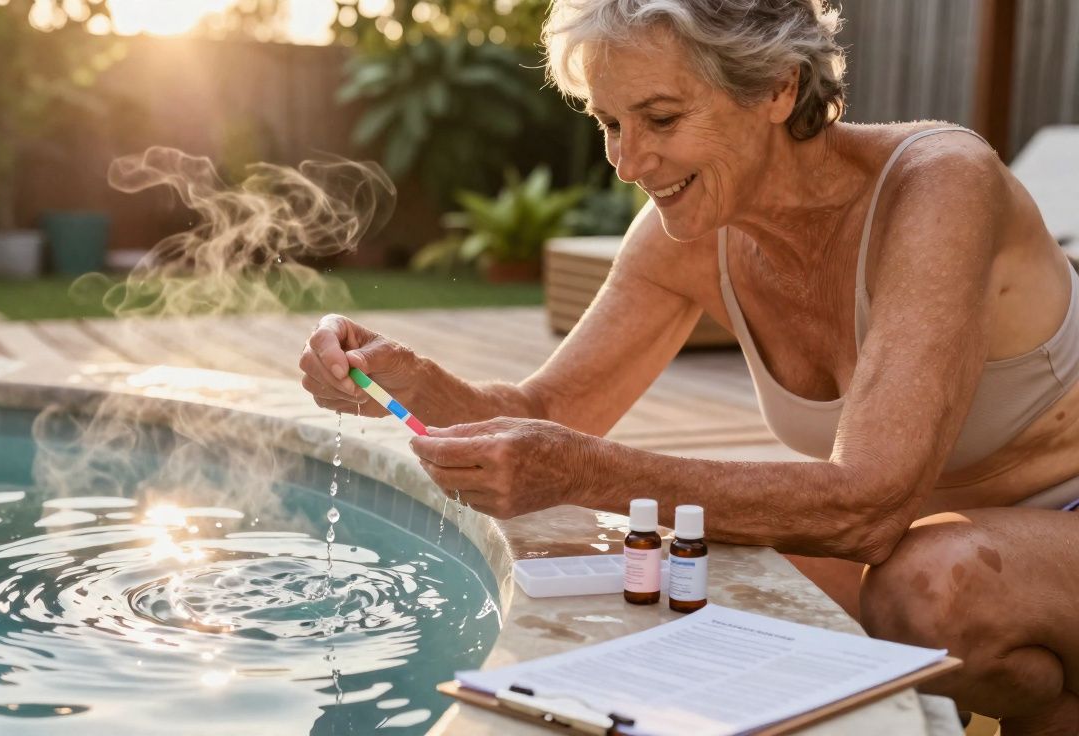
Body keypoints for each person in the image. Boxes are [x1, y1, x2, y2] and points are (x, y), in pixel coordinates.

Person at [299, 1, 1079, 732]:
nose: (628, 161)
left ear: (779, 87)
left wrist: (582, 471)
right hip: (935, 535)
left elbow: (868, 506)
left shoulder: (940, 184)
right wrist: (398, 378)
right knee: (663, 573)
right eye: (609, 122)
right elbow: (550, 411)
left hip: (1030, 523)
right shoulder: (686, 231)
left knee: (932, 589)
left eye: (661, 118)